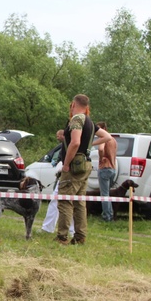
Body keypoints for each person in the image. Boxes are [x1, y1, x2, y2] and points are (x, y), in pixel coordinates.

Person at [55, 94, 111, 245]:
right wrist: (90, 145)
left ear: (73, 104)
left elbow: (75, 143)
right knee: (80, 202)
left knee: (65, 200)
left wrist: (66, 164)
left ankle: (62, 237)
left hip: (74, 166)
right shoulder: (90, 122)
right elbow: (107, 137)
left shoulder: (76, 119)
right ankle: (80, 236)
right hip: (86, 163)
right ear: (87, 106)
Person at [40, 130, 75, 236]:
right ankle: (49, 227)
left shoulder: (72, 142)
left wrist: (64, 166)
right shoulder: (67, 143)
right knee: (62, 201)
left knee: (64, 201)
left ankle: (69, 230)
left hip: (68, 173)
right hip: (67, 173)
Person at [96, 121, 117, 222]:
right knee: (107, 193)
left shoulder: (103, 138)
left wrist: (101, 159)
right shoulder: (113, 139)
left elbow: (101, 149)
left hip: (104, 167)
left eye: (98, 128)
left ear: (103, 129)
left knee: (104, 194)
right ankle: (111, 214)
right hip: (112, 168)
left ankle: (107, 217)